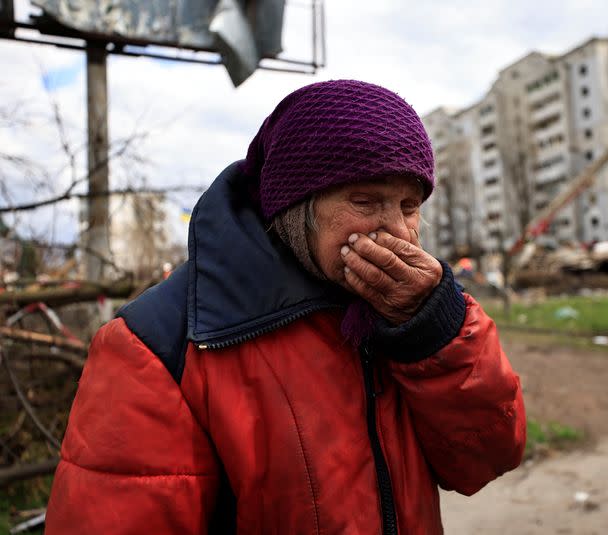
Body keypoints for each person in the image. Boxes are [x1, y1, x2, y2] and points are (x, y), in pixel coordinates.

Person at [45, 80, 526, 534]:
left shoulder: (402, 310)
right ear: (296, 207)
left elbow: (488, 457)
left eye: (408, 205)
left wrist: (432, 330)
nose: (399, 232)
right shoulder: (161, 345)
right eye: (364, 201)